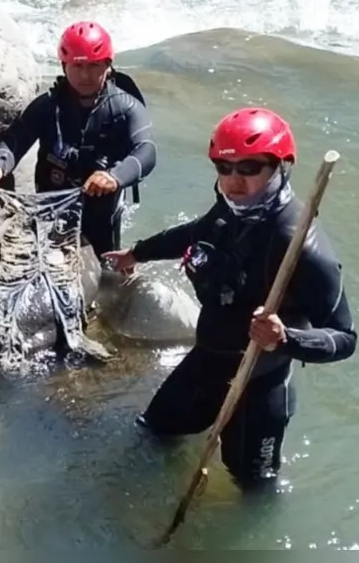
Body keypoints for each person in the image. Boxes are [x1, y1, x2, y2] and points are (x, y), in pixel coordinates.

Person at [103, 107, 356, 489]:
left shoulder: (301, 245)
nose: (234, 181)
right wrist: (137, 253)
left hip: (257, 382)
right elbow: (193, 233)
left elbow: (345, 338)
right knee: (152, 434)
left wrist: (286, 338)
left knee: (252, 488)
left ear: (279, 167)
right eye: (224, 168)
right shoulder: (231, 208)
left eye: (249, 168)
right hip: (206, 363)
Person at [0, 21, 157, 258]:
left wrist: (114, 177)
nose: (85, 75)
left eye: (94, 66)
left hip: (100, 216)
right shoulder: (47, 106)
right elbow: (15, 140)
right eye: (78, 66)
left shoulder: (126, 108)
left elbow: (147, 151)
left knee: (106, 275)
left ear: (108, 65)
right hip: (49, 210)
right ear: (64, 66)